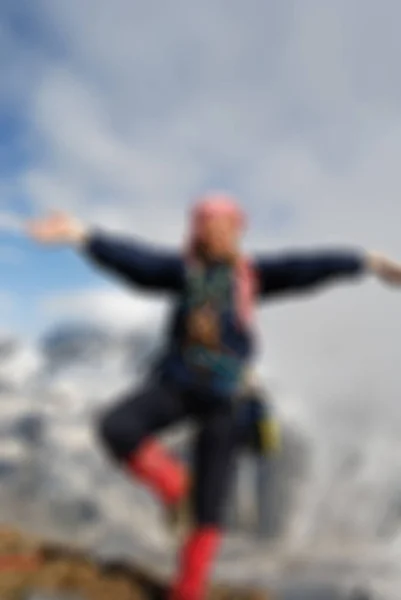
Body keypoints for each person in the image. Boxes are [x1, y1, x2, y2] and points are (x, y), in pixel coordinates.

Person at [26, 194, 401, 600]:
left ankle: (188, 591)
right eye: (208, 225)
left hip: (228, 399)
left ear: (238, 232)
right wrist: (82, 235)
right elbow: (136, 262)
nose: (217, 233)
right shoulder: (182, 272)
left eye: (225, 226)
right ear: (197, 232)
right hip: (177, 385)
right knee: (117, 427)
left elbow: (307, 266)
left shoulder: (254, 275)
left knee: (210, 505)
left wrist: (368, 260)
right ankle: (173, 485)